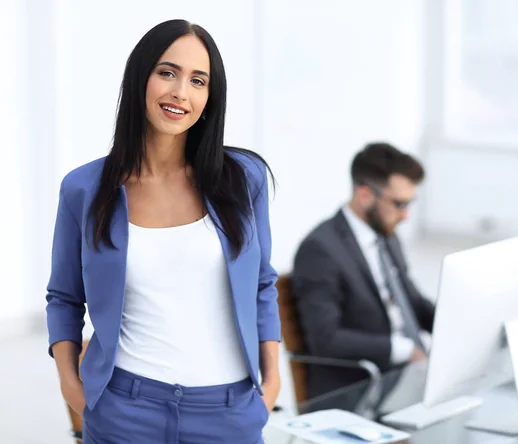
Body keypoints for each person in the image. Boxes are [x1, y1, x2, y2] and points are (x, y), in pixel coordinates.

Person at [45, 19, 280, 444]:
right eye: (167, 73)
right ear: (140, 79)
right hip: (125, 412)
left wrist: (273, 382)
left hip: (228, 413)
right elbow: (64, 297)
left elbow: (263, 284)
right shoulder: (84, 188)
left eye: (198, 80)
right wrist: (70, 384)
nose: (180, 93)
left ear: (210, 97)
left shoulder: (245, 179)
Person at [292, 142, 435, 412]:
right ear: (365, 195)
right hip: (361, 387)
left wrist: (455, 325)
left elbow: (411, 300)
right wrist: (403, 349)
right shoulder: (320, 249)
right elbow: (326, 338)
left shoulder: (386, 235)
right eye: (399, 204)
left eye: (409, 203)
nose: (406, 215)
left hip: (402, 376)